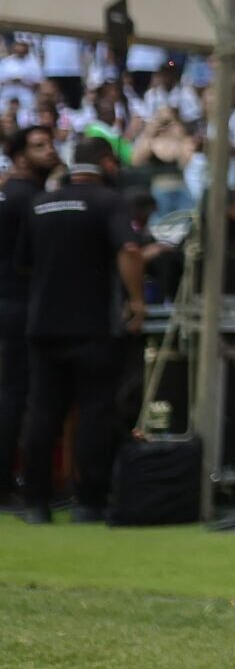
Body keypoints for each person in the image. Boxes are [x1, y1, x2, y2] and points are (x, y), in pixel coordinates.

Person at [16, 137, 144, 523]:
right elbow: (130, 250)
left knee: (42, 413)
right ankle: (88, 502)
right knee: (94, 413)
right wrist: (136, 301)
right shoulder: (108, 202)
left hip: (43, 324)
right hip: (94, 326)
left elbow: (25, 264)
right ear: (106, 162)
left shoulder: (39, 204)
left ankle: (36, 503)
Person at [0, 125, 59, 504]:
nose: (51, 151)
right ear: (21, 156)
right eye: (40, 146)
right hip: (21, 304)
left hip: (7, 301)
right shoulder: (32, 200)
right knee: (18, 394)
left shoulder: (7, 193)